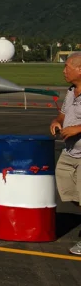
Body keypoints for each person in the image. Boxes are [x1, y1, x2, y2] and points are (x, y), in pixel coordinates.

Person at [50, 52, 81, 255]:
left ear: (80, 69)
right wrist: (57, 121)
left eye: (67, 67)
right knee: (68, 193)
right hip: (69, 152)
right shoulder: (70, 92)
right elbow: (63, 113)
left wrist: (78, 128)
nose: (63, 71)